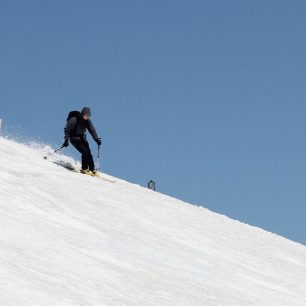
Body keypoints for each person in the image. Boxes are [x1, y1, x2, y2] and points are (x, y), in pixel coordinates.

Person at [63, 107, 102, 175]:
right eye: (85, 115)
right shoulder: (74, 119)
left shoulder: (88, 121)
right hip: (74, 138)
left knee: (89, 153)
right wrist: (66, 140)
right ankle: (84, 169)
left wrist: (96, 139)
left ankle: (92, 169)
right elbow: (67, 130)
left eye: (88, 115)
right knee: (85, 152)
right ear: (82, 114)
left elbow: (92, 130)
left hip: (82, 138)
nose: (87, 117)